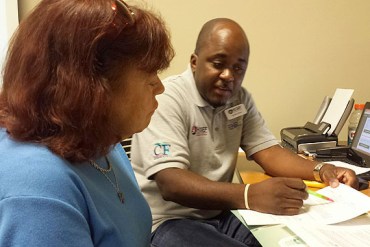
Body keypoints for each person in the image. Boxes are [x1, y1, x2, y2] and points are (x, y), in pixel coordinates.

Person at [131, 18, 359, 246]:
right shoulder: (168, 99)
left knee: (287, 240)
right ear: (194, 62)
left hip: (220, 214)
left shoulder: (239, 99)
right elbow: (171, 183)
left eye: (238, 68)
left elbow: (268, 152)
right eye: (218, 63)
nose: (229, 75)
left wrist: (322, 169)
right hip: (168, 221)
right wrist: (248, 195)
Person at [0, 0, 174, 246]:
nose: (160, 87)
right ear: (92, 86)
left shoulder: (103, 141)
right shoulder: (39, 190)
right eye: (148, 75)